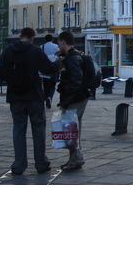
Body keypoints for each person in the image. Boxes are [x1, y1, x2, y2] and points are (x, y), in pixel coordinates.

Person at [0, 27, 59, 175]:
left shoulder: (8, 51)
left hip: (15, 96)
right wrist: (58, 60)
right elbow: (48, 69)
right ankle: (41, 163)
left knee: (18, 128)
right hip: (34, 95)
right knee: (38, 128)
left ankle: (19, 164)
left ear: (21, 36)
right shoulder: (35, 51)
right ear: (32, 38)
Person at [56, 30, 90, 171]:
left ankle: (76, 159)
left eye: (59, 43)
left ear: (63, 42)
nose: (58, 45)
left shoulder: (72, 59)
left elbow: (76, 80)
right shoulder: (74, 56)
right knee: (72, 130)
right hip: (79, 97)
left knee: (71, 130)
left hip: (75, 99)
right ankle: (73, 159)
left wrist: (66, 100)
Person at [40, 34, 60, 108]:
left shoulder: (42, 47)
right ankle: (49, 97)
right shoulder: (56, 46)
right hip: (54, 67)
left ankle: (46, 97)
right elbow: (59, 56)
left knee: (45, 84)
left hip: (45, 68)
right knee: (52, 84)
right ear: (52, 39)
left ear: (45, 39)